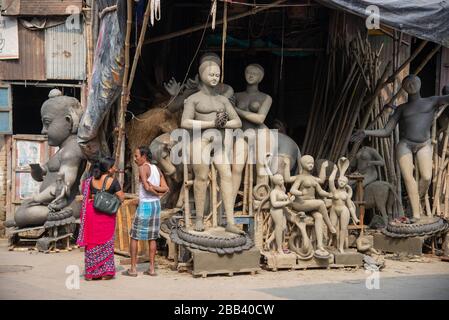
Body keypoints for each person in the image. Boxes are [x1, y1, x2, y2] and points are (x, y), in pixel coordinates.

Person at [123, 146, 169, 277]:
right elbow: (165, 188)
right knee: (152, 237)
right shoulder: (156, 169)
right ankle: (152, 269)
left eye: (137, 156)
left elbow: (147, 188)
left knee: (135, 236)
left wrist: (153, 189)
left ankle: (133, 269)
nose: (135, 159)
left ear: (144, 156)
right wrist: (157, 192)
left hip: (146, 206)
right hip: (156, 205)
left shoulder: (142, 168)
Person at [77, 157, 124, 281]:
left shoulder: (89, 181)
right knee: (106, 242)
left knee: (92, 242)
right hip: (107, 216)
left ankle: (92, 273)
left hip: (92, 213)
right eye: (113, 166)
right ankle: (105, 273)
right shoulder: (113, 181)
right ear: (108, 169)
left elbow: (87, 196)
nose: (115, 168)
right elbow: (121, 197)